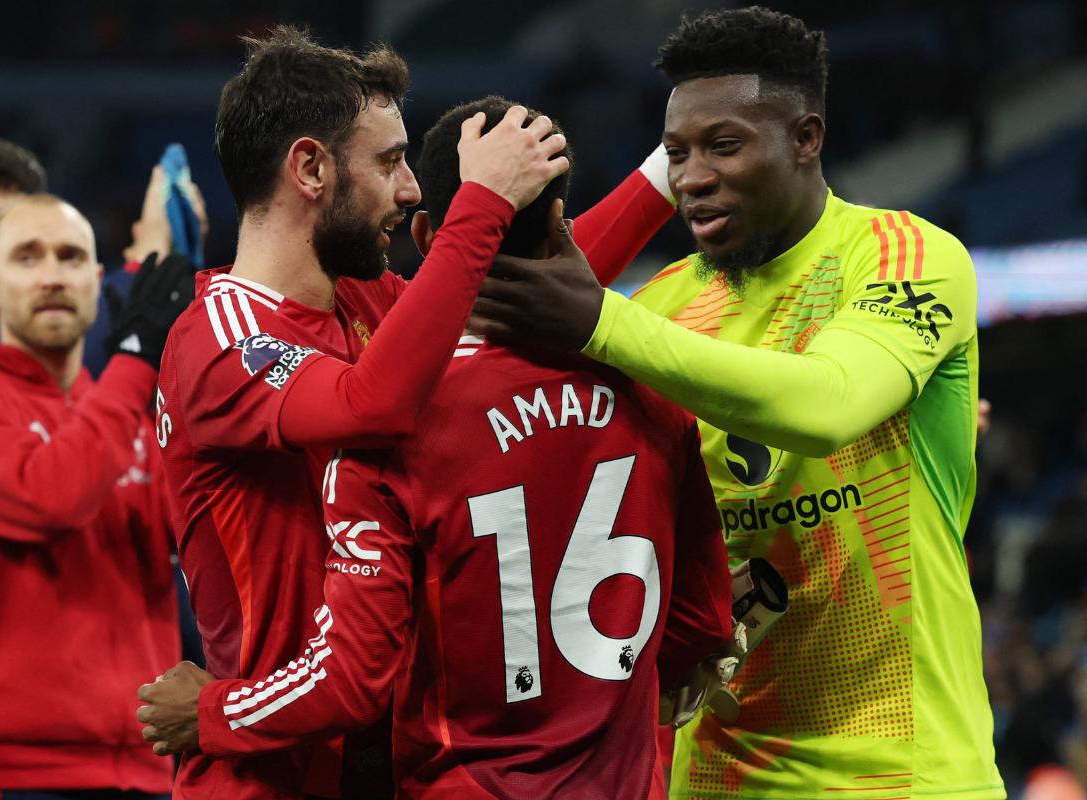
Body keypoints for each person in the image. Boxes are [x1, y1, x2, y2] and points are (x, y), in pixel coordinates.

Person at [469, 7, 1003, 800]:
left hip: (905, 773)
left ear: (805, 138)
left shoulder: (904, 255)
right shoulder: (657, 308)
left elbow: (830, 407)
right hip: (718, 774)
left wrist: (597, 319)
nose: (692, 177)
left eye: (724, 146)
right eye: (677, 154)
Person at [138, 97, 733, 800]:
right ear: (310, 169)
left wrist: (666, 170)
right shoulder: (224, 335)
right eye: (389, 160)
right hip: (274, 769)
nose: (409, 184)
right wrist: (490, 203)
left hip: (385, 758)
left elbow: (499, 292)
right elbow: (376, 395)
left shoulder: (376, 318)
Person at [0, 138, 201, 800]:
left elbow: (204, 542)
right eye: (28, 258)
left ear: (100, 281)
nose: (53, 275)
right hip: (16, 776)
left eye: (70, 257)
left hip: (143, 775)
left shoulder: (122, 418)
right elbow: (54, 495)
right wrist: (138, 358)